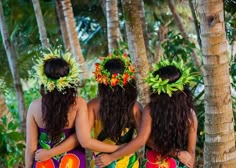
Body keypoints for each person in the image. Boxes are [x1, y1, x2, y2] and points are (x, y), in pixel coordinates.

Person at [35, 51, 150, 168]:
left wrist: (111, 157)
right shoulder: (135, 107)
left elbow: (86, 141)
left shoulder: (92, 106)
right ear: (129, 82)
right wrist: (118, 152)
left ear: (102, 82)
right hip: (128, 163)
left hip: (100, 163)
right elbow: (141, 140)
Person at [25, 50, 121, 168]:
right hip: (73, 162)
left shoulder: (34, 107)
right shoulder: (78, 103)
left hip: (44, 161)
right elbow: (81, 139)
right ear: (70, 78)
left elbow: (31, 146)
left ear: (44, 79)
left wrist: (32, 163)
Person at [95, 60, 198, 168]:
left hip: (173, 160)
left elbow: (191, 151)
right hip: (162, 158)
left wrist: (188, 163)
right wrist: (177, 153)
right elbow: (145, 140)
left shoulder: (188, 115)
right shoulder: (152, 110)